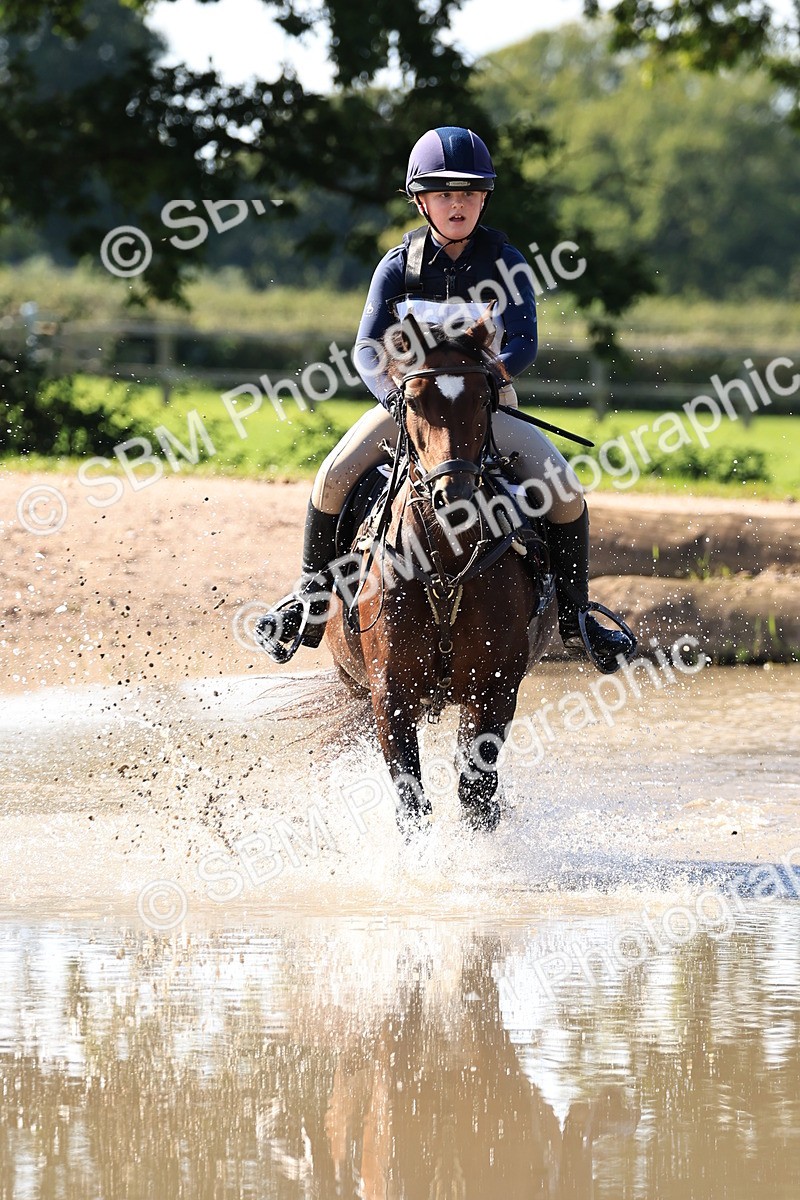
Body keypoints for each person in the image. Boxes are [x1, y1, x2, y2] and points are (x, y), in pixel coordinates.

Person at [255, 126, 635, 674]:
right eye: (444, 194)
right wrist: (393, 398)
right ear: (421, 200)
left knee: (564, 487)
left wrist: (485, 384)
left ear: (484, 199)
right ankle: (309, 604)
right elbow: (367, 348)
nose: (457, 204)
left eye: (469, 193)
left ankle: (578, 618)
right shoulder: (397, 267)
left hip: (487, 408)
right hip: (409, 406)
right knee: (333, 476)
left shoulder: (506, 262)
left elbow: (525, 340)